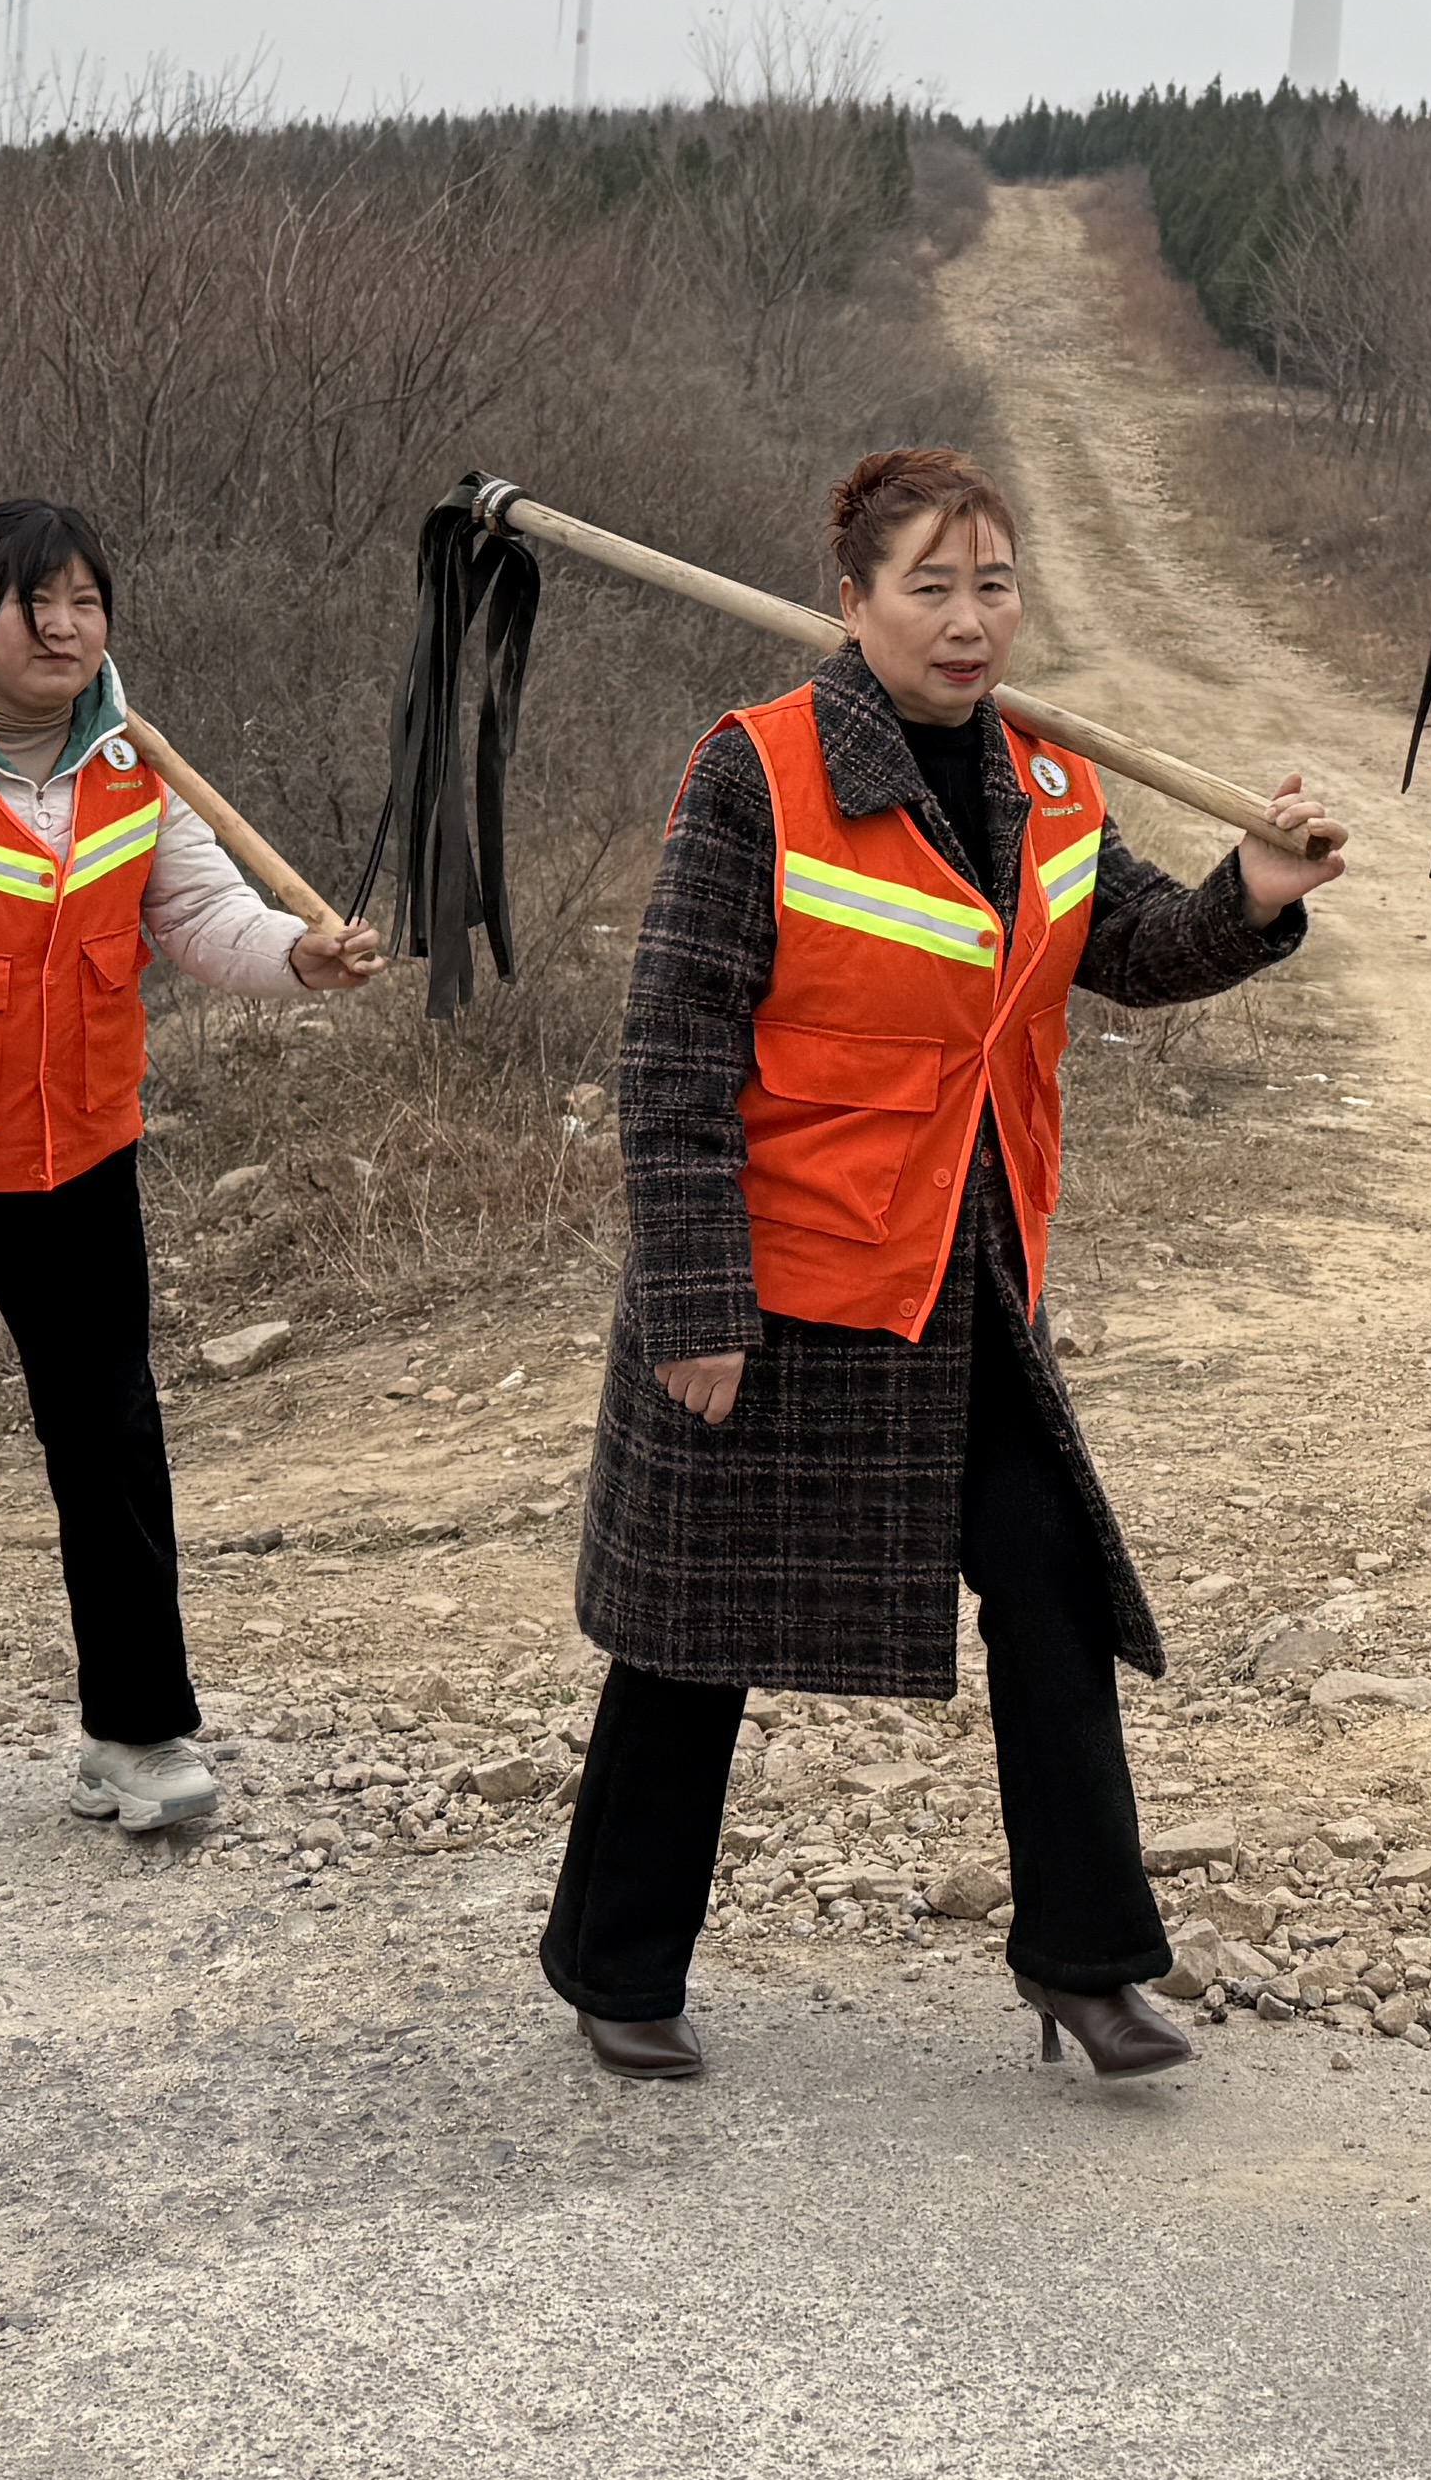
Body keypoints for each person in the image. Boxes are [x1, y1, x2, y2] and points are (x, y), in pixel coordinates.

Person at [539, 446, 1347, 2089]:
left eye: (993, 582)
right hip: (775, 1280)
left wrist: (1253, 894)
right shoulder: (755, 773)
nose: (970, 617)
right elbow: (673, 1048)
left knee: (1046, 1582)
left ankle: (1088, 1959)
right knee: (694, 1625)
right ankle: (617, 1960)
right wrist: (693, 1301)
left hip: (956, 1278)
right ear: (852, 600)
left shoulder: (1048, 784)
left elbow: (1122, 948)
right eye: (931, 583)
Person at [0, 496, 385, 1841]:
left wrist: (298, 955)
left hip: (77, 1164)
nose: (62, 626)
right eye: (32, 603)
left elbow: (203, 917)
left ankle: (138, 1734)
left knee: (113, 1444)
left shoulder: (129, 762)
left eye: (85, 603)